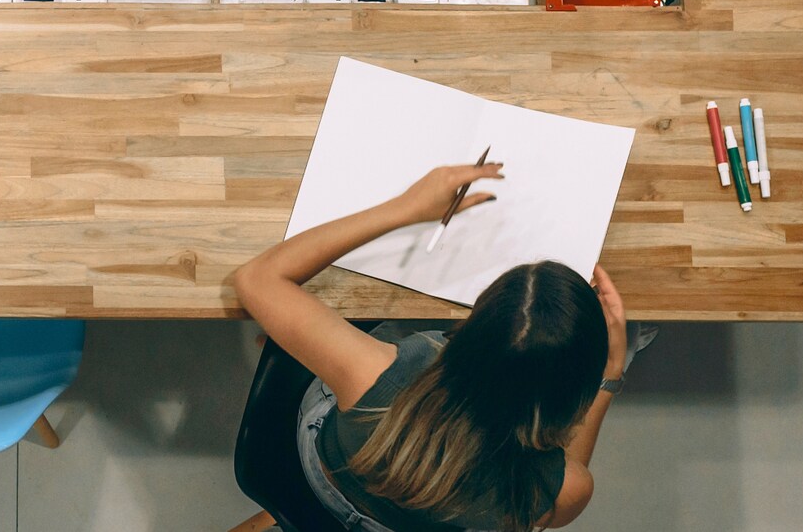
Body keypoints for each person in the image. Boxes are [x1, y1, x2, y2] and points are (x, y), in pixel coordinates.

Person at [232, 162, 630, 531]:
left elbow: (256, 279)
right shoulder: (565, 489)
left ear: (470, 327)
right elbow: (561, 479)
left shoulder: (378, 377)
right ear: (573, 398)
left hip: (324, 474)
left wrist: (404, 208)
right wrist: (610, 375)